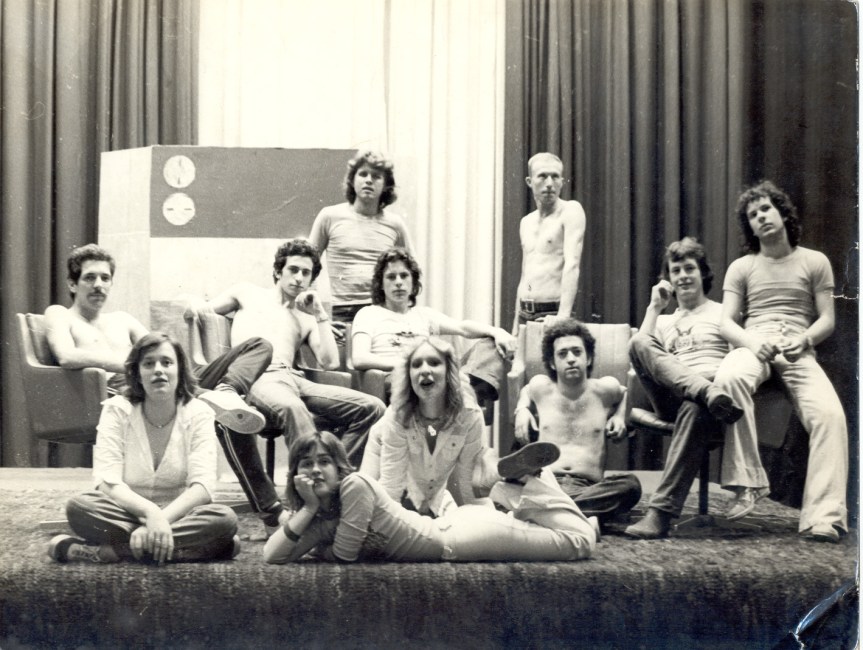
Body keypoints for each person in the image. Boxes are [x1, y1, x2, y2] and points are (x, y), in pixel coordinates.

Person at [185, 239, 385, 532]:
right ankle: (308, 504)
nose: (299, 278)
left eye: (306, 273)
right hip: (257, 375)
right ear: (278, 271)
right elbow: (204, 311)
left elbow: (329, 362)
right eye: (293, 269)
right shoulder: (247, 293)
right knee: (292, 408)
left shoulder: (304, 318)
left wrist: (319, 314)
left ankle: (334, 487)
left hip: (295, 378)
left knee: (372, 408)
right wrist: (193, 305)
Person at [713, 181, 848, 543]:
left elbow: (827, 320)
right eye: (753, 215)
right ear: (750, 227)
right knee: (727, 378)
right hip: (755, 342)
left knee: (831, 416)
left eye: (766, 209)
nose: (761, 217)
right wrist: (752, 342)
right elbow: (726, 322)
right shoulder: (742, 266)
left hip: (798, 349)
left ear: (783, 213)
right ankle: (749, 482)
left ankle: (824, 517)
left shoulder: (814, 261)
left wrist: (803, 339)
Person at [48, 333, 239, 564]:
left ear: (180, 370)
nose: (158, 369)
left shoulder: (200, 413)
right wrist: (151, 515)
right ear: (137, 373)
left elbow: (202, 487)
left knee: (223, 519)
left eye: (167, 362)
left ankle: (110, 553)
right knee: (80, 506)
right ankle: (200, 549)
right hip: (126, 512)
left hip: (179, 515)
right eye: (149, 363)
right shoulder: (116, 409)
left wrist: (160, 520)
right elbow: (107, 483)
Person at [263, 431, 597, 564]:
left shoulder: (355, 486)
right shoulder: (322, 514)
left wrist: (310, 539)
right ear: (295, 474)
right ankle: (521, 487)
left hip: (459, 539)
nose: (317, 470)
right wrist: (308, 510)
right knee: (547, 530)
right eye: (307, 464)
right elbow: (270, 556)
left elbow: (346, 555)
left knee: (578, 543)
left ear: (340, 468)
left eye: (325, 461)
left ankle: (530, 477)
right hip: (454, 523)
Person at [44, 244, 271, 435]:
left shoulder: (122, 319)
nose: (98, 285)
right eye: (89, 278)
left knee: (259, 345)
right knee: (225, 414)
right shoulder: (60, 314)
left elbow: (164, 349)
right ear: (72, 284)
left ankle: (226, 391)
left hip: (161, 377)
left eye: (105, 278)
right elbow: (66, 356)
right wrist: (131, 366)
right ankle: (214, 400)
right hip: (123, 387)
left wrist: (177, 367)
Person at [622, 238, 744, 539]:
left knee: (696, 405)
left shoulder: (722, 314)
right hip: (673, 396)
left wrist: (716, 386)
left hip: (716, 398)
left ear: (703, 274)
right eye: (675, 270)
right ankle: (702, 391)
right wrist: (654, 307)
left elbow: (740, 359)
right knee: (638, 340)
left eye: (690, 268)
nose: (683, 276)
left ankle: (660, 515)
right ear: (669, 279)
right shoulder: (662, 321)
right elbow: (639, 358)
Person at [513, 319, 641, 526]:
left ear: (588, 358)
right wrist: (522, 409)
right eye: (562, 354)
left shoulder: (604, 390)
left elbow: (625, 392)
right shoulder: (541, 388)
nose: (571, 359)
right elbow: (525, 389)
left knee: (630, 486)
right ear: (553, 363)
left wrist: (618, 416)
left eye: (577, 352)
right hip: (547, 482)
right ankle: (580, 517)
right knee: (505, 482)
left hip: (588, 487)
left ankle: (546, 514)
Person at [351, 247, 516, 404]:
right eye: (391, 277)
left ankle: (461, 389)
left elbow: (463, 328)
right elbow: (359, 358)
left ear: (413, 282)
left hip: (432, 377)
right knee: (441, 377)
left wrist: (497, 331)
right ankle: (464, 392)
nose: (399, 282)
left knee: (489, 343)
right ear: (380, 283)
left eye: (404, 275)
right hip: (397, 379)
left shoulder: (424, 315)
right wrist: (406, 363)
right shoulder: (368, 314)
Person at [359, 337, 491, 517]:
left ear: (448, 371)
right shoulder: (397, 414)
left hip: (432, 486)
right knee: (365, 508)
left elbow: (467, 484)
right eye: (416, 365)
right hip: (384, 457)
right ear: (409, 375)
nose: (425, 370)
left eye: (434, 363)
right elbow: (391, 488)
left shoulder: (469, 414)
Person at [309, 150, 414, 329]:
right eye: (363, 174)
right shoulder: (329, 216)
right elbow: (307, 265)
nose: (368, 180)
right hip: (342, 313)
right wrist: (317, 317)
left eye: (376, 176)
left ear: (386, 185)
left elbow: (412, 271)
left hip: (383, 311)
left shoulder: (395, 224)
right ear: (352, 179)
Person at [513, 152, 586, 332]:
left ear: (561, 181)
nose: (549, 184)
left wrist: (563, 317)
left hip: (553, 314)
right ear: (529, 182)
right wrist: (515, 325)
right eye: (543, 176)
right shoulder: (526, 222)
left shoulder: (570, 211)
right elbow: (525, 275)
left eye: (555, 177)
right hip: (525, 313)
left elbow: (572, 264)